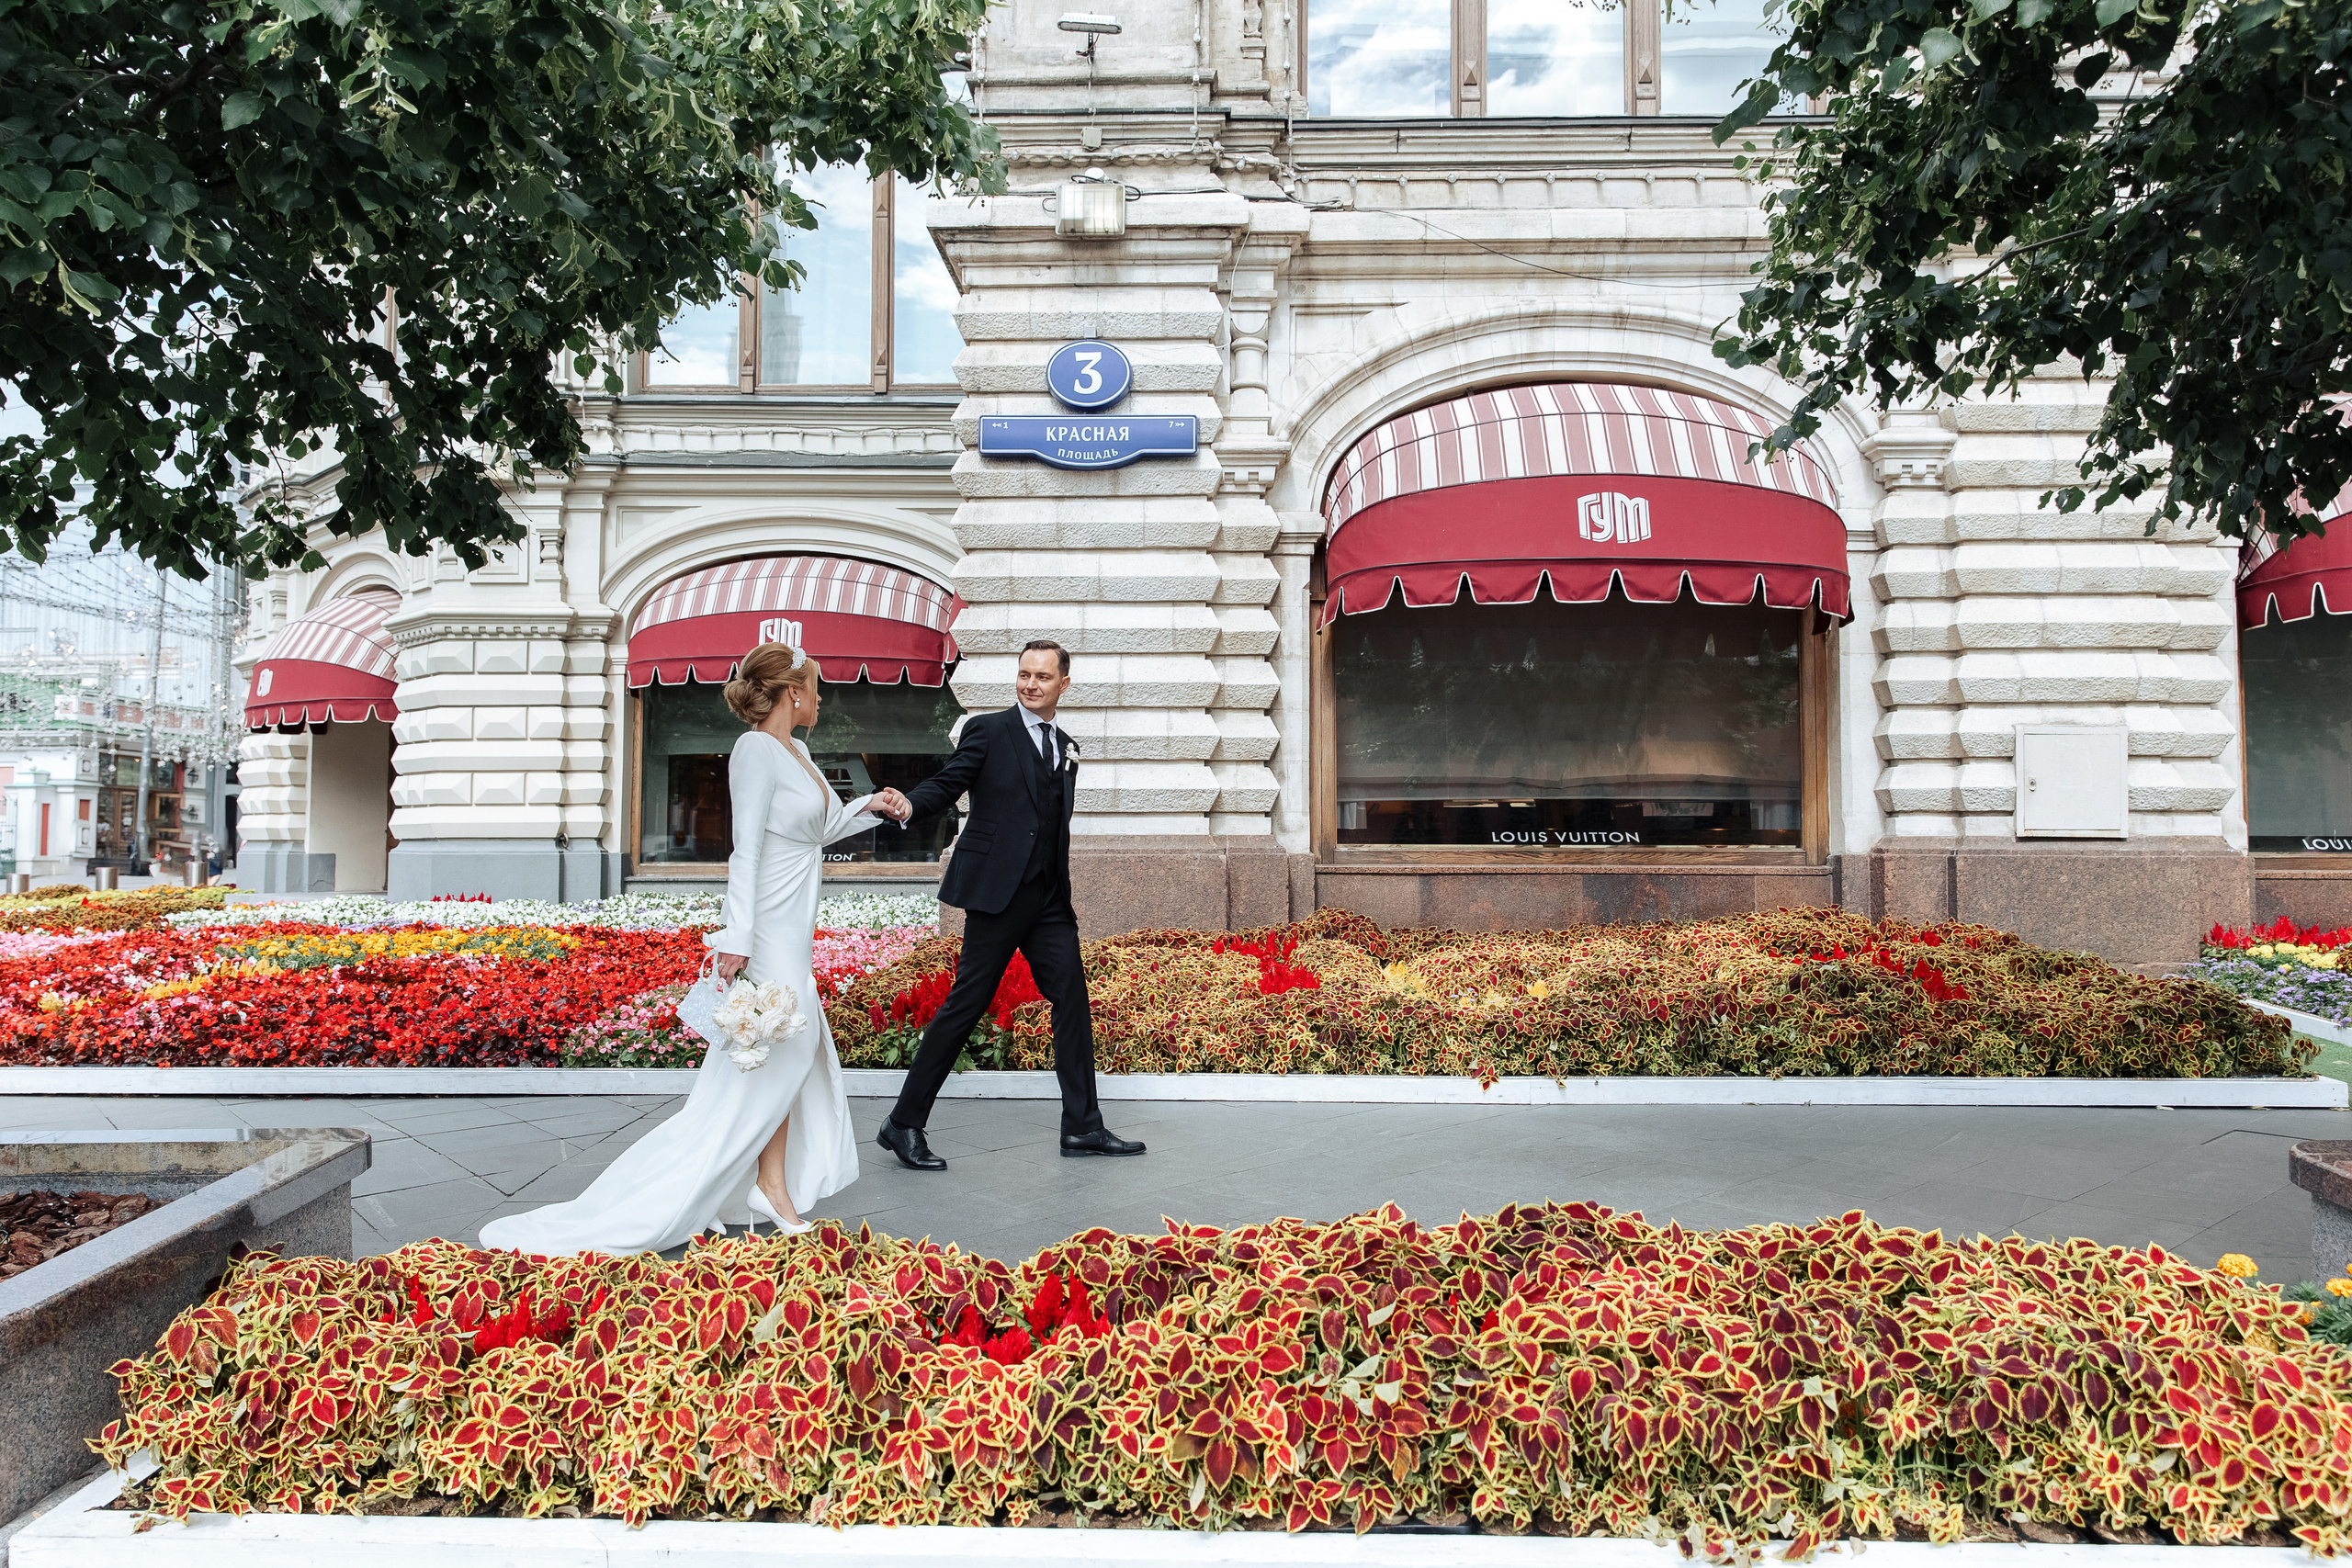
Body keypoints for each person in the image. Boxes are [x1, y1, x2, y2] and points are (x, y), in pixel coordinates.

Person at [480, 642, 899, 1255]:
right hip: (766, 935)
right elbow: (747, 849)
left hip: (791, 927)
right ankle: (745, 1186)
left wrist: (871, 806)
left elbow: (824, 828)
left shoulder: (798, 751)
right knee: (781, 1050)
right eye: (815, 685)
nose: (821, 696)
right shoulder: (755, 750)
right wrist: (734, 938)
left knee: (772, 1061)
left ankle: (770, 1184)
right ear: (793, 693)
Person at [866, 639, 1146, 1169]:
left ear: (1064, 684)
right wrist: (907, 807)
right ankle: (902, 1124)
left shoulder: (1066, 745)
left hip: (1048, 899)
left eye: (1042, 676)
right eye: (1023, 674)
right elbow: (950, 784)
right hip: (996, 896)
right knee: (966, 1005)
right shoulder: (989, 731)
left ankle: (1083, 1127)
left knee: (1072, 1003)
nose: (1030, 684)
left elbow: (1050, 822)